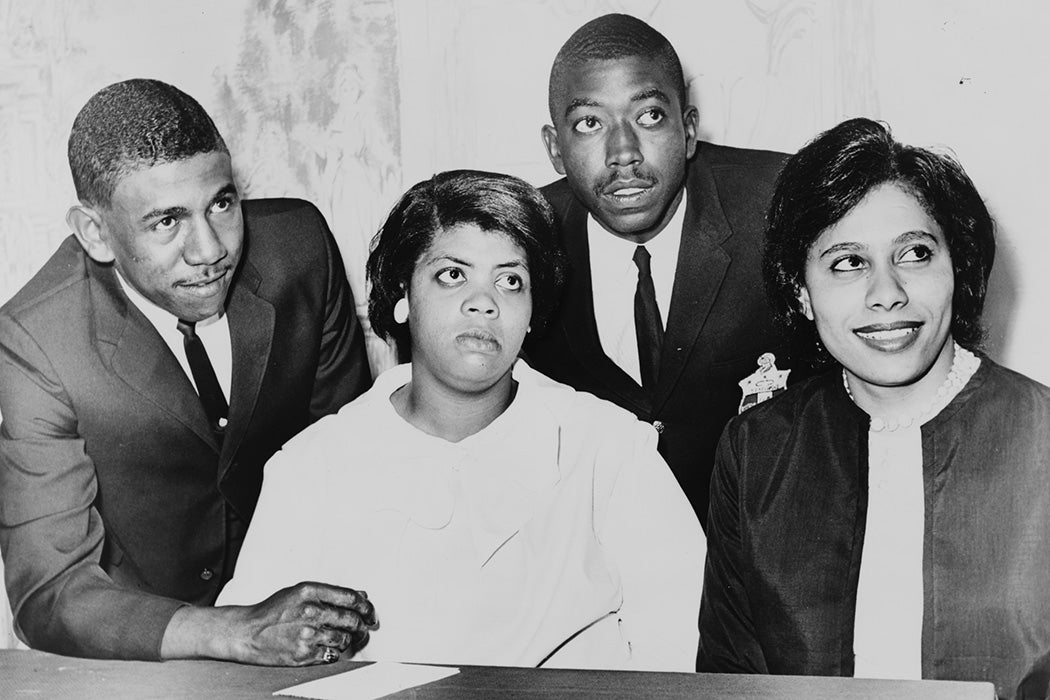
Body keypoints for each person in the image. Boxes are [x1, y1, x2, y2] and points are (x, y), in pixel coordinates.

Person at [218, 170, 705, 671]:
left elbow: (680, 643)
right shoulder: (310, 465)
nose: (484, 301)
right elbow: (252, 658)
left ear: (533, 313)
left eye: (510, 280)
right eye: (453, 274)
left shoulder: (608, 446)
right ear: (403, 294)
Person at [0, 79, 376, 664]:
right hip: (142, 653)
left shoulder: (300, 247)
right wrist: (236, 631)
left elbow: (355, 462)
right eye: (166, 221)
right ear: (95, 233)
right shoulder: (36, 340)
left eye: (221, 204)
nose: (209, 251)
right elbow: (51, 591)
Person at [696, 117, 1050, 698]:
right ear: (800, 292)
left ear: (957, 268)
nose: (886, 293)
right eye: (847, 263)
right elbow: (729, 679)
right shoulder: (756, 451)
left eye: (913, 253)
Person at [525, 13, 801, 526]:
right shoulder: (520, 241)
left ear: (689, 130)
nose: (623, 154)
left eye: (649, 116)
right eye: (589, 123)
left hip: (770, 550)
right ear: (554, 149)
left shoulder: (780, 205)